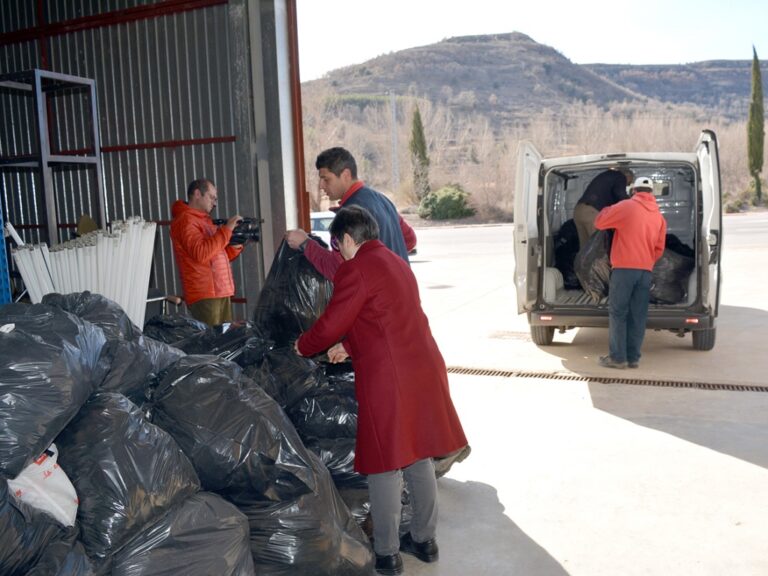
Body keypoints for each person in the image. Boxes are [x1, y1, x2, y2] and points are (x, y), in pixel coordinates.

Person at [293, 205, 468, 576]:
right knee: (418, 454)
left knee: (385, 464)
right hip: (423, 368)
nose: (338, 253)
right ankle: (425, 539)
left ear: (346, 239)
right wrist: (352, 346)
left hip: (392, 379)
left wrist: (303, 346)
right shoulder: (396, 262)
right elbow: (386, 316)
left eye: (337, 246)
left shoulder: (356, 269)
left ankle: (387, 553)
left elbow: (331, 324)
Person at [285, 147, 416, 280]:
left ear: (346, 175)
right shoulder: (383, 200)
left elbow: (339, 271)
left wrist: (305, 243)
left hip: (374, 297)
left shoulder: (350, 215)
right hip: (402, 291)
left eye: (326, 179)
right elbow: (410, 240)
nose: (321, 186)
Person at [594, 176, 667, 369]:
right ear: (651, 192)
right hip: (645, 271)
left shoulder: (627, 206)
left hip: (624, 269)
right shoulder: (659, 216)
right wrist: (646, 261)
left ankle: (618, 358)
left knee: (618, 313)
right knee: (638, 315)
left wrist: (611, 207)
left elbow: (600, 222)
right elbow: (659, 248)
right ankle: (633, 358)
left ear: (633, 190)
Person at [170, 178, 244, 326]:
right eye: (211, 197)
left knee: (224, 341)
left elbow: (217, 254)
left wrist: (236, 245)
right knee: (213, 343)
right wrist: (226, 230)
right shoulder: (186, 221)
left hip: (219, 290)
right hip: (204, 293)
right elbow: (201, 253)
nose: (214, 203)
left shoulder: (204, 221)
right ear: (197, 194)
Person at [573, 168, 634, 249]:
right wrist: (634, 204)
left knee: (585, 247)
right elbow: (620, 195)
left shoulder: (608, 176)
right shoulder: (620, 176)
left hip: (578, 211)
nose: (627, 185)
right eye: (629, 182)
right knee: (598, 247)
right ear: (628, 176)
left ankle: (583, 262)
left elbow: (614, 201)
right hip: (591, 212)